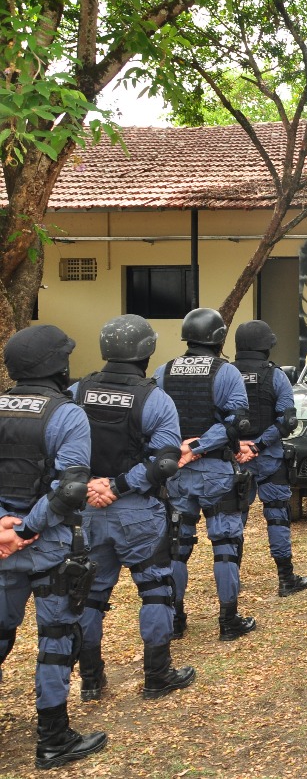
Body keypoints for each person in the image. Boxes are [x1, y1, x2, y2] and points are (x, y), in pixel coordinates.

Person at [71, 315, 195, 705]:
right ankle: (157, 676)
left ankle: (91, 680)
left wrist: (93, 486)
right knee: (155, 591)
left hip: (87, 510)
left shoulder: (76, 391)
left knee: (89, 596)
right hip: (138, 511)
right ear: (147, 350)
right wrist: (119, 485)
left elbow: (57, 453)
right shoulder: (154, 398)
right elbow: (164, 463)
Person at [0, 325, 108, 768]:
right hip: (45, 547)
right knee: (56, 640)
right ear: (55, 366)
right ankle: (54, 739)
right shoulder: (66, 414)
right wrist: (27, 530)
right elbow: (69, 491)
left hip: (1, 546)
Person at [154, 308, 256, 641]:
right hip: (214, 469)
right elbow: (237, 422)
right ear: (218, 337)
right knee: (225, 545)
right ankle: (228, 621)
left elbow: (150, 421)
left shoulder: (162, 371)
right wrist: (197, 446)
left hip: (176, 473)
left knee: (177, 547)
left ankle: (175, 618)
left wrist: (175, 451)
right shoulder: (226, 373)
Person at [232, 320, 307, 597]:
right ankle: (286, 578)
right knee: (277, 516)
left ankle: (231, 581)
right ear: (265, 346)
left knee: (233, 520)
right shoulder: (274, 375)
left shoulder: (225, 374)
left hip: (232, 460)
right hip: (268, 457)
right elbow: (288, 420)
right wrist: (258, 445)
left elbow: (217, 419)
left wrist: (238, 446)